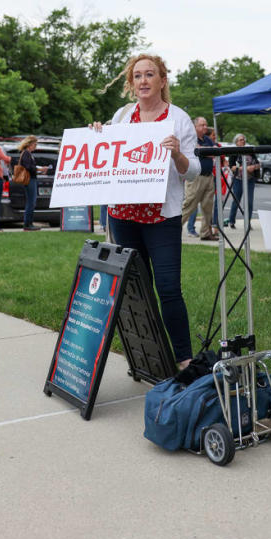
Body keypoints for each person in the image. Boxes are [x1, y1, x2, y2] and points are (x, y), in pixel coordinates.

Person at [93, 53, 201, 368]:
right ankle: (147, 355)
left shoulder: (178, 119)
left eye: (149, 74)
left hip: (161, 218)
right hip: (124, 216)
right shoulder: (122, 116)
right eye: (137, 76)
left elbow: (193, 171)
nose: (143, 80)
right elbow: (111, 154)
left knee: (168, 289)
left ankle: (183, 359)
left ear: (162, 81)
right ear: (132, 83)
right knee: (137, 290)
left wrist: (177, 154)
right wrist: (97, 136)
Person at [180, 117, 219, 241]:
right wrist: (207, 151)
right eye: (202, 125)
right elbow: (198, 151)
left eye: (206, 125)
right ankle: (171, 229)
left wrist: (206, 151)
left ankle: (206, 233)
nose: (205, 127)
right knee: (189, 206)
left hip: (208, 177)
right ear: (195, 127)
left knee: (208, 207)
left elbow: (215, 152)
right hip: (195, 178)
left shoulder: (207, 139)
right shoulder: (191, 138)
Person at [16, 135, 48, 231]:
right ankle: (27, 224)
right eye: (35, 144)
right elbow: (28, 167)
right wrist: (39, 168)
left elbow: (30, 167)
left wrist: (39, 170)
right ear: (29, 144)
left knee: (31, 202)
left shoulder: (28, 154)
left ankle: (29, 223)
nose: (36, 146)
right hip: (29, 180)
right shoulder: (26, 153)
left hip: (31, 179)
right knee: (31, 202)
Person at [227, 133, 258, 229]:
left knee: (249, 202)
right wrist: (244, 168)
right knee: (236, 200)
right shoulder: (234, 152)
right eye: (240, 140)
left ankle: (247, 223)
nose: (243, 141)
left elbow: (258, 164)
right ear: (236, 142)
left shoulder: (250, 151)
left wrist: (253, 167)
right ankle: (231, 221)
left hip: (250, 179)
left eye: (244, 139)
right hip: (238, 180)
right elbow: (231, 167)